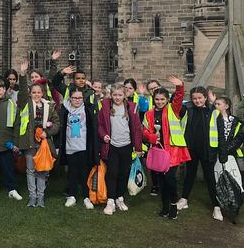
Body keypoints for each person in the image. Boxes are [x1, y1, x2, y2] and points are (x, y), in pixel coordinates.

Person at [141, 77, 190, 220]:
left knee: (170, 179)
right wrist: (150, 137)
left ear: (167, 100)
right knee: (161, 180)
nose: (160, 102)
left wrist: (180, 86)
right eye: (157, 99)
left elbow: (179, 98)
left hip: (172, 150)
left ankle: (174, 205)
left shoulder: (172, 109)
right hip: (157, 151)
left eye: (162, 99)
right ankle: (165, 206)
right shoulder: (149, 114)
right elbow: (144, 131)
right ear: (153, 99)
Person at [17, 61, 60, 208]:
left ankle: (41, 197)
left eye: (38, 92)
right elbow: (22, 91)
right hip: (30, 141)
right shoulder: (26, 103)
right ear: (30, 93)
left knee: (41, 170)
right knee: (30, 170)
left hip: (43, 142)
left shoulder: (49, 106)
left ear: (42, 93)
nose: (36, 95)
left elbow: (57, 124)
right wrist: (22, 75)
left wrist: (46, 133)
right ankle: (32, 196)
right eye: (33, 92)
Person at [98, 83, 143, 215]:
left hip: (127, 146)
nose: (117, 97)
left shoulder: (131, 107)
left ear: (125, 95)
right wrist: (103, 135)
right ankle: (110, 201)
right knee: (112, 173)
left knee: (123, 173)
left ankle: (119, 198)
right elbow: (100, 125)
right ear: (111, 95)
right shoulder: (105, 106)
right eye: (115, 95)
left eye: (120, 95)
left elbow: (137, 128)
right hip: (112, 146)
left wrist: (138, 147)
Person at [59, 87, 98, 208]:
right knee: (72, 172)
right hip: (70, 147)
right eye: (74, 98)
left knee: (84, 173)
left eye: (80, 98)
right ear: (70, 98)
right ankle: (72, 195)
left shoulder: (88, 109)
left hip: (84, 147)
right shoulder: (65, 110)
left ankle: (86, 197)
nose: (77, 100)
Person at [178, 86, 216, 213]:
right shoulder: (188, 108)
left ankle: (216, 205)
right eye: (194, 98)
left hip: (207, 149)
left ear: (205, 98)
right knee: (190, 174)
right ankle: (184, 199)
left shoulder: (212, 110)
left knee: (210, 177)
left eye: (200, 98)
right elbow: (177, 106)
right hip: (191, 148)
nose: (197, 101)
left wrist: (214, 103)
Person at [208, 95, 244, 221]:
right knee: (219, 181)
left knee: (235, 181)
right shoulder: (213, 119)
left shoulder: (236, 121)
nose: (216, 106)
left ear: (226, 106)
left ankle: (235, 207)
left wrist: (227, 150)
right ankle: (219, 205)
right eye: (215, 104)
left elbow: (239, 138)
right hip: (217, 155)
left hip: (231, 156)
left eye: (219, 104)